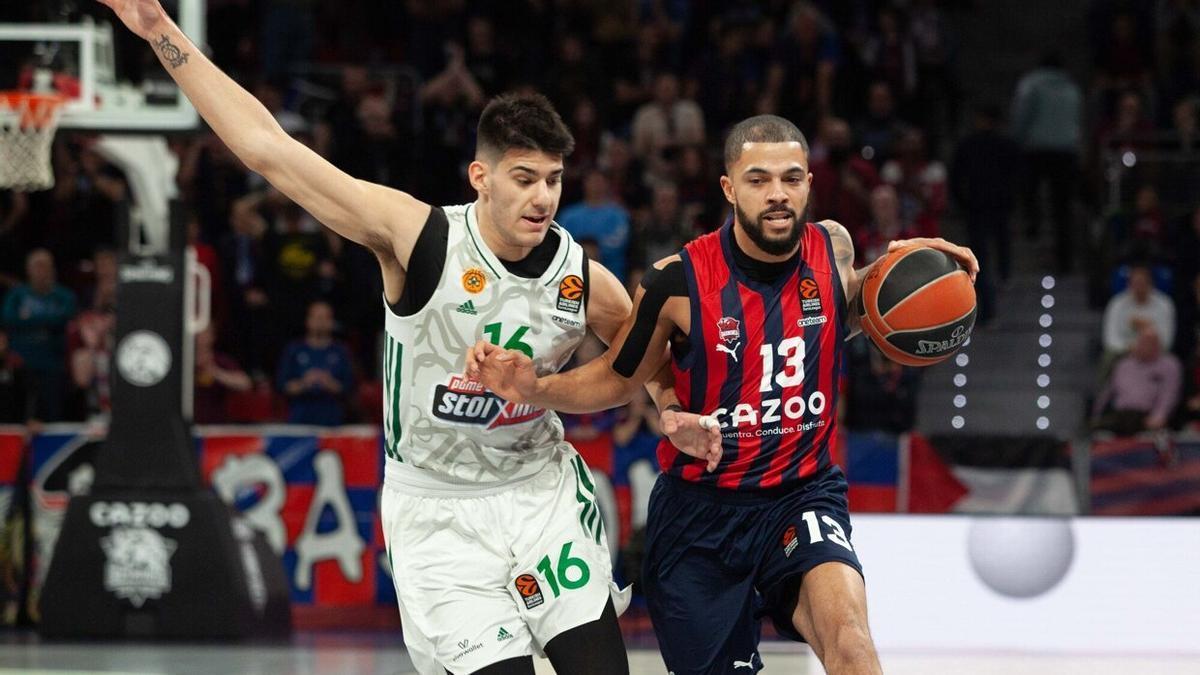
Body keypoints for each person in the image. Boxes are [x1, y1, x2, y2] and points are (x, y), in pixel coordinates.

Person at [98, 2, 670, 672]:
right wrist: (162, 33)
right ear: (481, 178)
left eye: (553, 179)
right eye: (524, 178)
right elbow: (268, 151)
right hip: (438, 512)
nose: (542, 196)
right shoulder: (419, 238)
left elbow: (638, 346)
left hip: (539, 496)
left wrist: (672, 406)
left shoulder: (579, 274)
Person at [469, 115, 978, 675]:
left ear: (810, 181)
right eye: (758, 180)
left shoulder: (833, 249)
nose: (778, 194)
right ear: (729, 188)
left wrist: (912, 263)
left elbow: (855, 312)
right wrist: (535, 388)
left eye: (791, 178)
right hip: (699, 518)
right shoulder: (676, 282)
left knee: (852, 645)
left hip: (801, 496)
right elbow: (619, 377)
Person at [0, 248, 77, 422]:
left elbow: (63, 320)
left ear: (53, 269)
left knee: (53, 410)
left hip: (53, 361)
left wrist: (27, 320)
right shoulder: (17, 295)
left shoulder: (64, 295)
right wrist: (47, 323)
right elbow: (8, 319)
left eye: (45, 266)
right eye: (37, 266)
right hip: (21, 362)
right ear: (28, 269)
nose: (41, 271)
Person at [276, 300, 354, 426]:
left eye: (325, 318)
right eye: (317, 317)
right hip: (300, 420)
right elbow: (282, 386)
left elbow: (349, 387)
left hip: (332, 421)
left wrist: (328, 382)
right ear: (308, 320)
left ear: (331, 321)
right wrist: (304, 383)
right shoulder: (294, 350)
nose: (320, 322)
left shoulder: (341, 351)